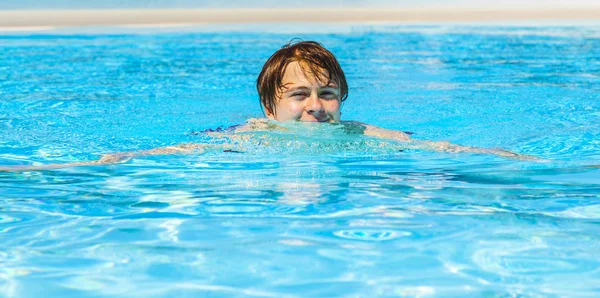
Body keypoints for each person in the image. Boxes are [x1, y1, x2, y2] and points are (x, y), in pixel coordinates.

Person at [0, 40, 535, 172]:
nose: (315, 108)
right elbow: (189, 149)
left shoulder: (359, 133)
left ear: (343, 99)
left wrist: (485, 153)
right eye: (299, 95)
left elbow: (430, 146)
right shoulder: (253, 132)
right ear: (270, 103)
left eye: (327, 94)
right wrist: (123, 160)